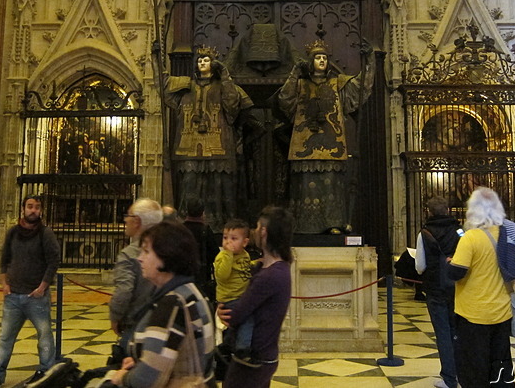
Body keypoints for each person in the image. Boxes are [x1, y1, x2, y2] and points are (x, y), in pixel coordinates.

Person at [277, 38, 374, 233]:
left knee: (331, 186)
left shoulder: (337, 83)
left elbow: (360, 87)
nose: (321, 60)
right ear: (310, 61)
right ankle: (304, 225)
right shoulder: (300, 83)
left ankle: (333, 224)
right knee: (306, 186)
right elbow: (285, 100)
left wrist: (369, 61)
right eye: (317, 57)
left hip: (331, 142)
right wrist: (295, 74)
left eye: (324, 57)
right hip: (304, 142)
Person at [158, 44, 254, 232]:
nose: (202, 62)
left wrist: (224, 75)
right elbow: (163, 85)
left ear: (214, 64)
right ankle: (188, 222)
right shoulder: (186, 86)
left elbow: (233, 105)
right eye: (200, 60)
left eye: (207, 60)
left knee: (219, 185)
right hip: (189, 144)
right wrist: (156, 58)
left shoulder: (224, 86)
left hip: (218, 143)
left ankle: (220, 224)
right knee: (189, 184)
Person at [108, 221, 215, 387]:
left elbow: (146, 379)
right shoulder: (191, 291)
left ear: (166, 256)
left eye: (146, 251)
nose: (139, 258)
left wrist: (122, 378)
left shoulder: (172, 304)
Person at [0, 195, 61, 388]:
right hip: (13, 296)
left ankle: (45, 371)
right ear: (23, 209)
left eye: (37, 207)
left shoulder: (46, 234)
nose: (33, 210)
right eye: (30, 206)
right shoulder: (12, 232)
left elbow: (53, 262)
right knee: (5, 337)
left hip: (36, 296)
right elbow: (4, 259)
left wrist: (42, 287)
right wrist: (4, 284)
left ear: (41, 211)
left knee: (44, 335)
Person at [218, 206, 294, 388]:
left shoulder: (269, 276)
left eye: (257, 227)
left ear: (264, 232)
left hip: (254, 359)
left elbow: (237, 315)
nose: (253, 231)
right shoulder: (275, 268)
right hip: (264, 355)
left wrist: (225, 311)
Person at [447, 187, 514, 388]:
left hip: (473, 315)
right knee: (500, 368)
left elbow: (455, 273)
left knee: (474, 371)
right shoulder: (508, 233)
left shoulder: (471, 237)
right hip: (502, 311)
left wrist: (450, 262)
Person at [414, 196, 461, 388]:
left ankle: (449, 377)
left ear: (429, 212)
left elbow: (420, 266)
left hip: (435, 288)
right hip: (457, 287)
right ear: (448, 210)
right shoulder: (459, 230)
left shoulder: (424, 233)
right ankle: (462, 372)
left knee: (442, 333)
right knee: (457, 332)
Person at [109, 198, 163, 359]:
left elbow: (124, 291)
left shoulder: (129, 255)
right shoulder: (167, 249)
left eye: (129, 215)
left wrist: (115, 316)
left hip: (137, 323)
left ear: (137, 221)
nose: (125, 219)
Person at [214, 219, 255, 365]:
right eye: (225, 238)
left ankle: (228, 344)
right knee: (247, 320)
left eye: (233, 239)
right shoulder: (223, 256)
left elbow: (244, 270)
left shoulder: (244, 255)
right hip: (230, 298)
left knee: (237, 323)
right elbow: (222, 275)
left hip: (241, 296)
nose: (228, 242)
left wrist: (254, 264)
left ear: (244, 242)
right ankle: (242, 349)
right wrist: (228, 256)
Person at [182, 197, 220, 301]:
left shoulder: (180, 229)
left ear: (187, 211)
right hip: (202, 276)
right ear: (202, 212)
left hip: (183, 275)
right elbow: (215, 253)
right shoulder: (205, 230)